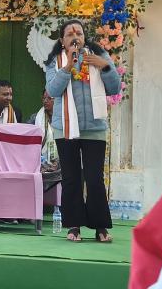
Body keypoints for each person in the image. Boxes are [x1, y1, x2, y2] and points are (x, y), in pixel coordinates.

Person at [45, 19, 121, 242]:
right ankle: (73, 226)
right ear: (62, 40)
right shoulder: (55, 61)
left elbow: (114, 87)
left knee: (94, 178)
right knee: (71, 178)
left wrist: (104, 66)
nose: (75, 37)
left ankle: (100, 227)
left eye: (78, 33)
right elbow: (52, 90)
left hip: (94, 128)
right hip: (66, 127)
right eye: (70, 34)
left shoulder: (98, 55)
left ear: (84, 37)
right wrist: (68, 67)